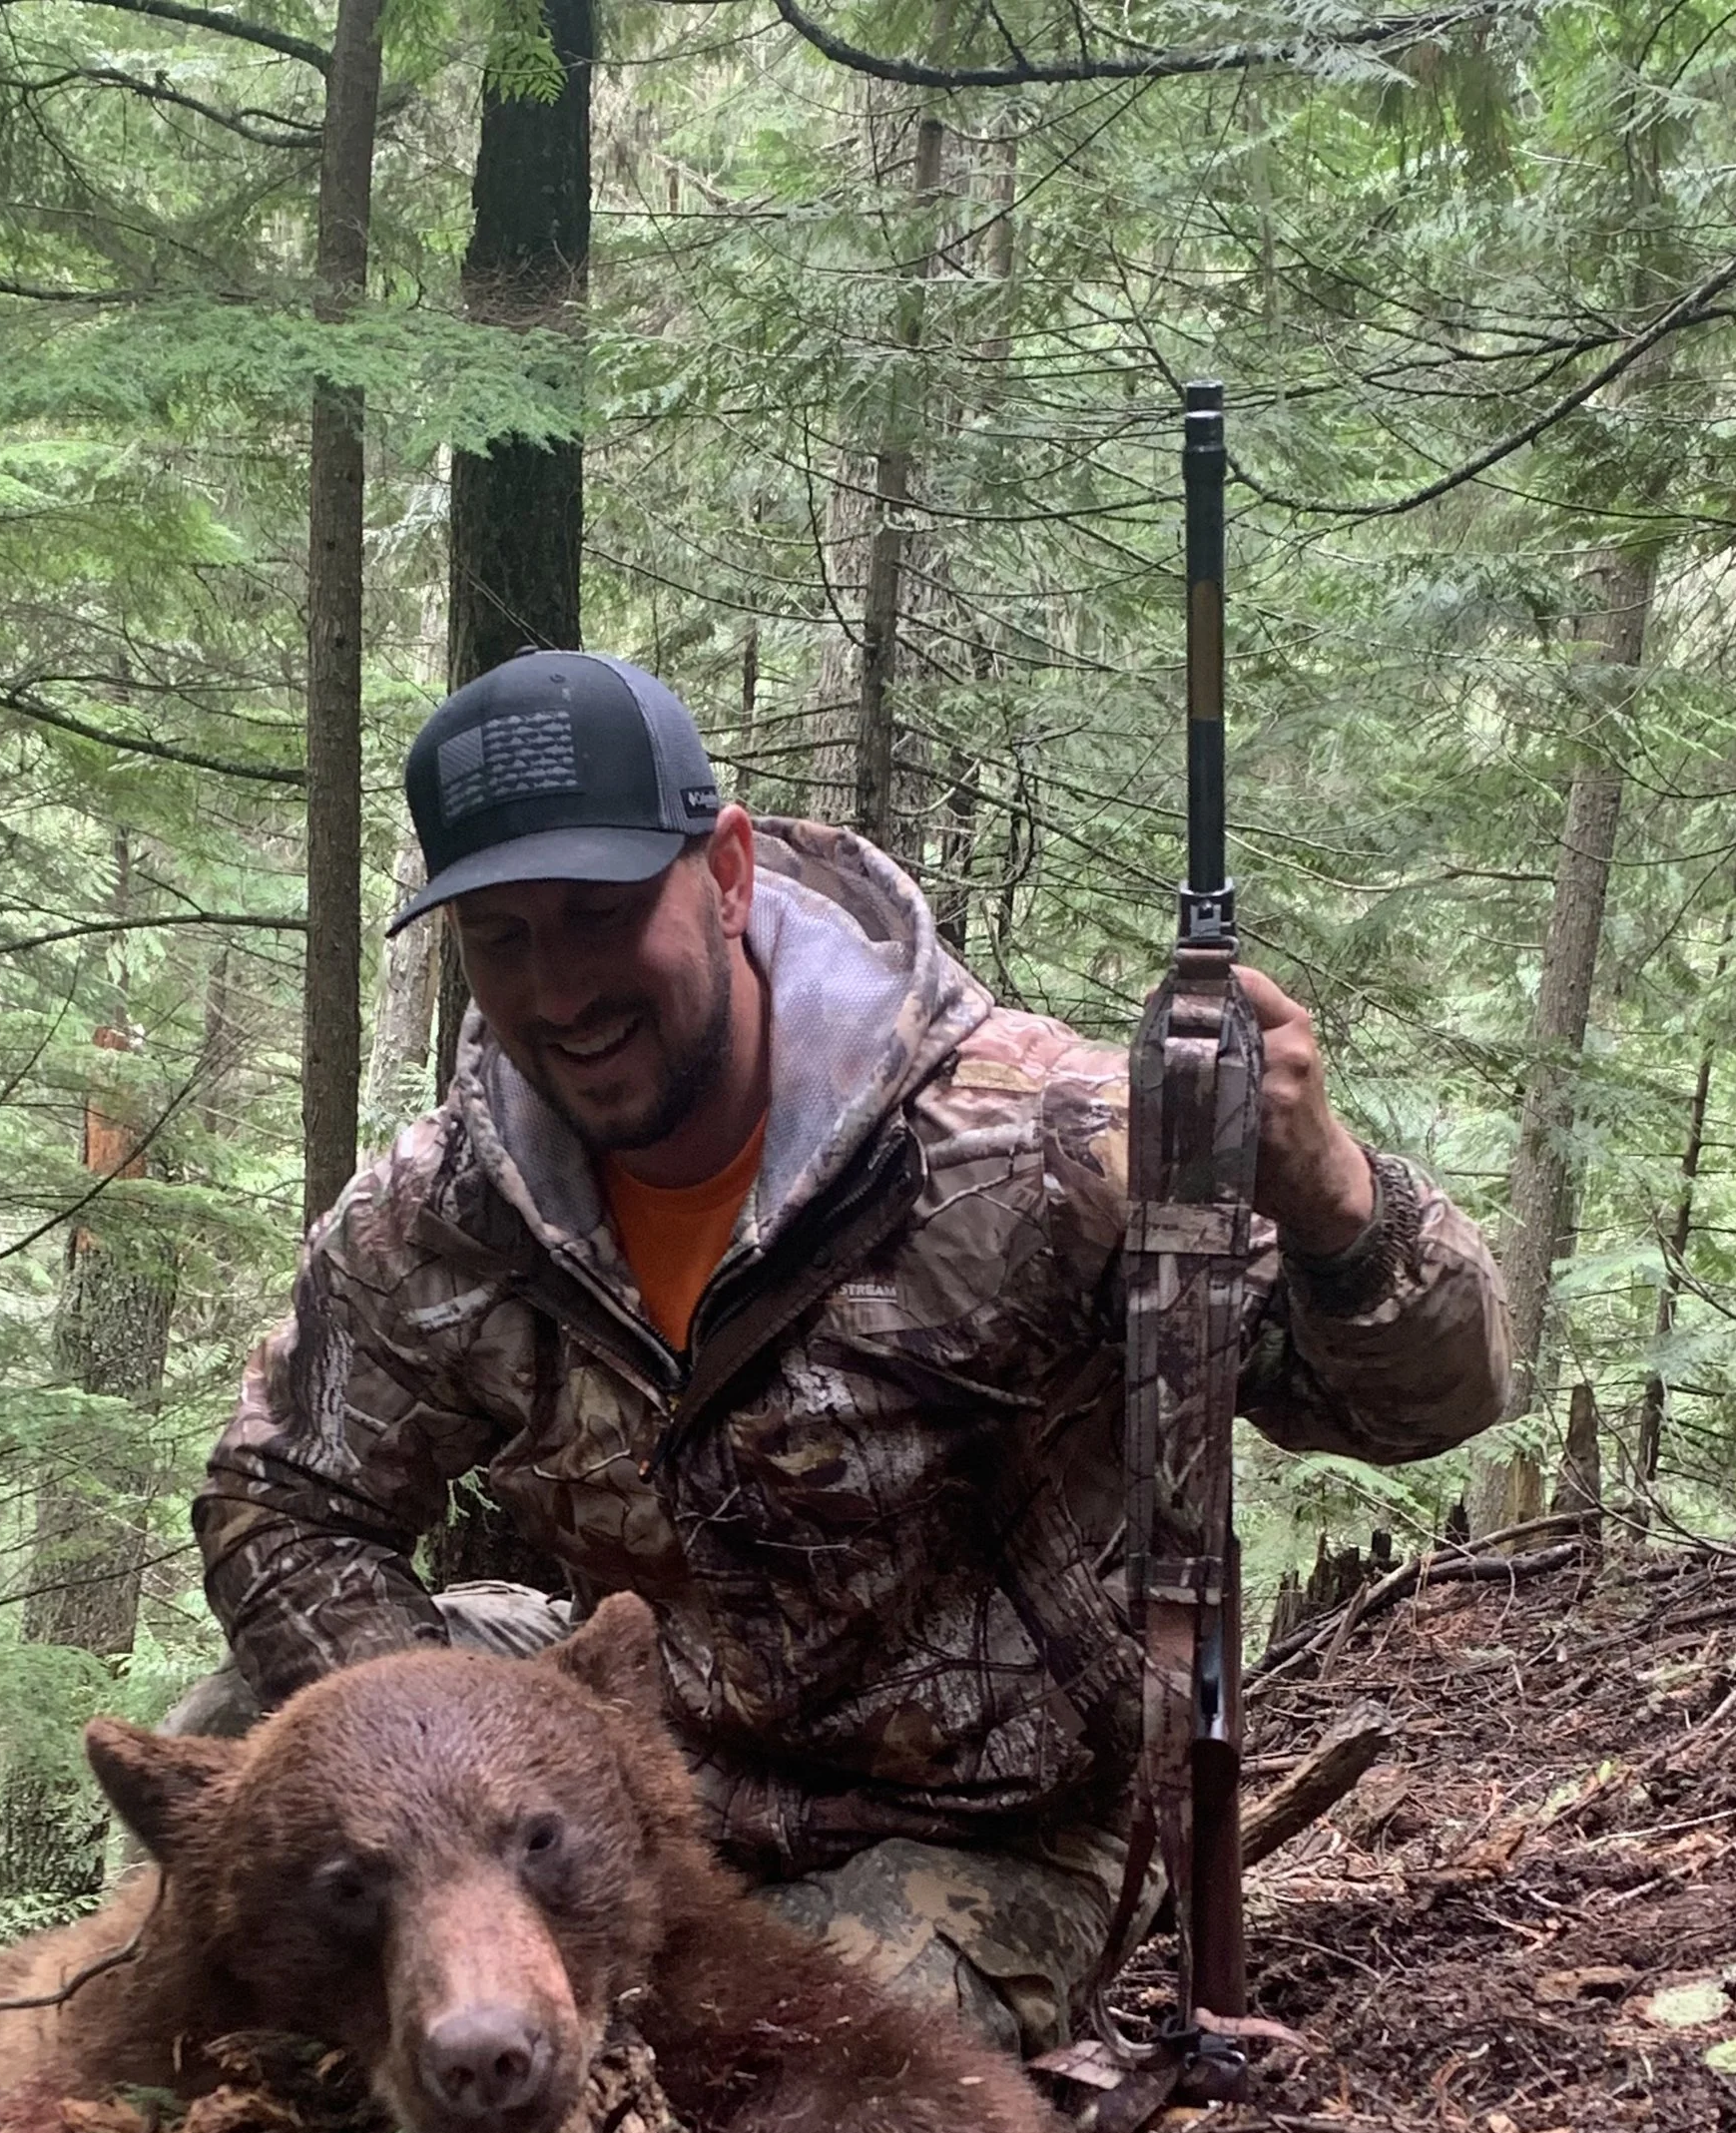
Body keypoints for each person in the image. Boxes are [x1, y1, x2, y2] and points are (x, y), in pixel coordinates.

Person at [190, 652, 1508, 2054]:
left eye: (597, 914)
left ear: (730, 871)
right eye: (503, 939)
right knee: (249, 1750)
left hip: (976, 1824)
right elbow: (281, 1502)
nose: (559, 988)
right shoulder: (444, 1214)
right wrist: (444, 1796)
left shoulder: (1033, 1149)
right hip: (625, 1763)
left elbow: (1434, 1397)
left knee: (765, 2077)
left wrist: (1328, 1194)